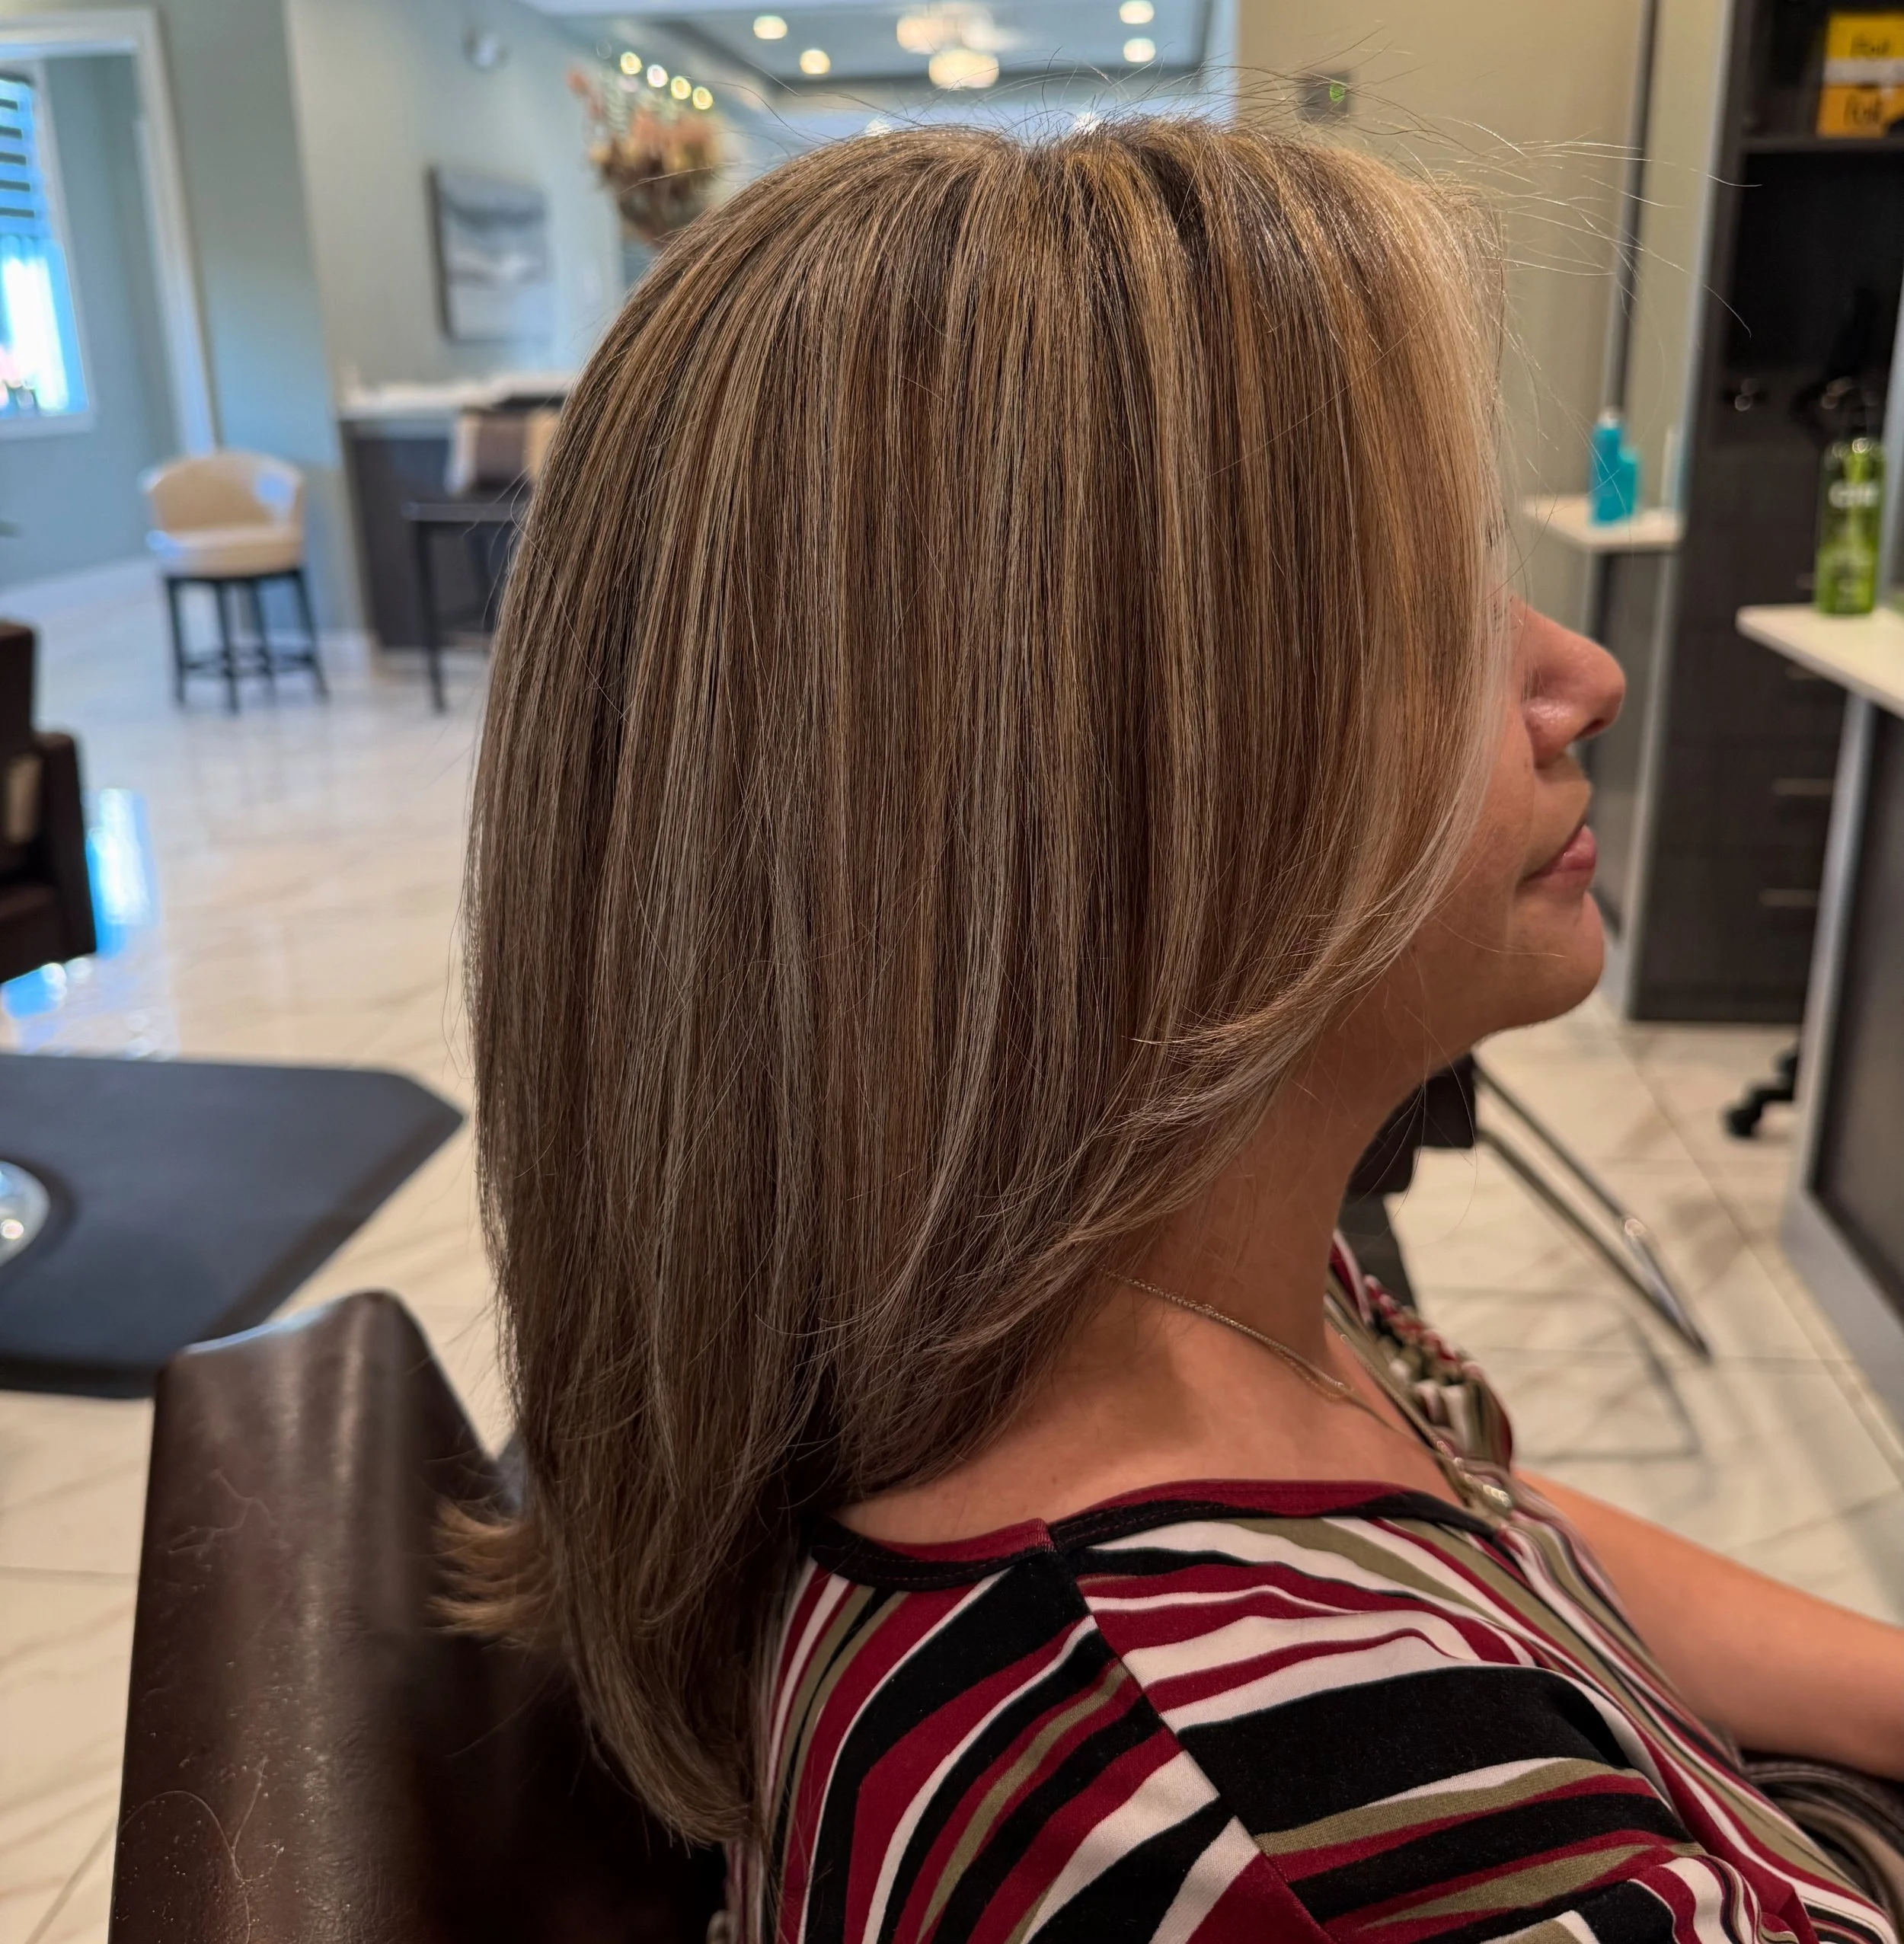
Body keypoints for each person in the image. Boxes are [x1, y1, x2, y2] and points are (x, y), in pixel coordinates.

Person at [458, 120, 1903, 1943]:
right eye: (1431, 615)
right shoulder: (1268, 1828)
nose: (1581, 679)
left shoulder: (1134, 1302)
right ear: (1098, 812)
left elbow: (1493, 1521)